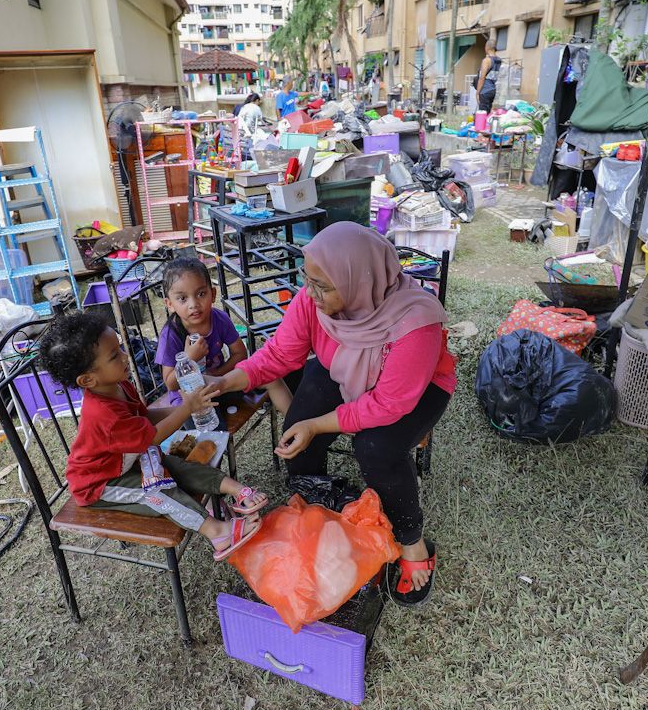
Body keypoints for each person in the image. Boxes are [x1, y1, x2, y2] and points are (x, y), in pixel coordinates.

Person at [209, 222, 455, 606]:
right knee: (297, 436)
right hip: (342, 365)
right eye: (308, 279)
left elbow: (389, 404)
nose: (309, 293)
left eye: (322, 285)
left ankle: (412, 540)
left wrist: (319, 423)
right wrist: (227, 382)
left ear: (359, 280)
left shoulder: (416, 323)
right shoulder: (314, 301)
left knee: (376, 448)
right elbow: (279, 355)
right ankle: (321, 514)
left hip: (416, 390)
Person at [39, 312, 267, 561]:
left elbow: (145, 416)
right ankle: (218, 532)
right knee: (156, 492)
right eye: (115, 356)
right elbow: (153, 436)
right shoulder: (103, 414)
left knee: (176, 465)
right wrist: (187, 408)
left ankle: (234, 489)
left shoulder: (118, 384)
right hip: (101, 484)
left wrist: (191, 406)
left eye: (120, 348)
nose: (126, 356)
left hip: (128, 461)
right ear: (87, 379)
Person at [155, 257, 291, 411]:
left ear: (212, 294)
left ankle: (297, 426)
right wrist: (189, 359)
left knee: (270, 377)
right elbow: (170, 384)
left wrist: (218, 375)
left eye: (201, 294)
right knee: (214, 430)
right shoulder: (170, 335)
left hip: (221, 383)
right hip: (191, 399)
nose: (193, 305)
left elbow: (240, 353)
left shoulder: (219, 319)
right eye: (182, 298)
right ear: (170, 304)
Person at [476, 38, 502, 113]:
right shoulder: (499, 60)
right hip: (493, 90)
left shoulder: (487, 60)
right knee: (488, 113)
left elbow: (482, 77)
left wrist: (477, 93)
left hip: (485, 91)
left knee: (482, 115)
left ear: (487, 47)